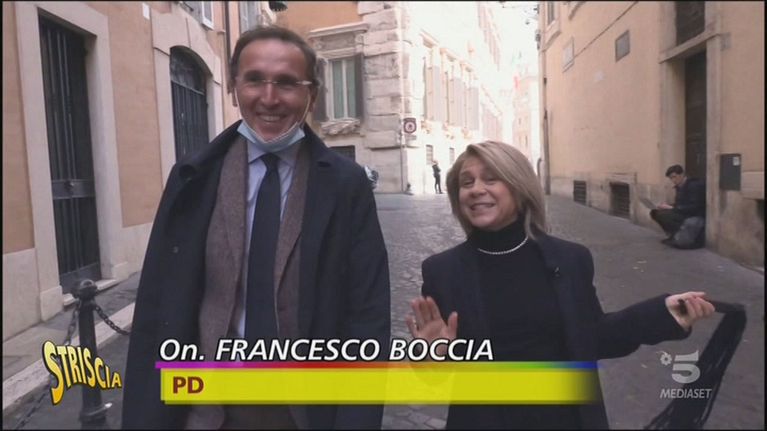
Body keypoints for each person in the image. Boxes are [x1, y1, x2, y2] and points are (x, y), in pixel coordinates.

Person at [122, 26, 390, 429]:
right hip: (204, 411)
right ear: (234, 89)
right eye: (254, 80)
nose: (269, 98)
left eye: (286, 83)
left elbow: (367, 314)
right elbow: (157, 301)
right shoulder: (193, 178)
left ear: (312, 95)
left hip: (306, 412)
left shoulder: (345, 186)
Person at [405, 141, 715, 429]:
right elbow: (435, 377)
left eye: (490, 179)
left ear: (519, 187)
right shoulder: (442, 270)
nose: (476, 190)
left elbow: (593, 337)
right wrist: (431, 358)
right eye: (466, 182)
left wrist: (661, 315)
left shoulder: (569, 259)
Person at [650, 164, 706, 247]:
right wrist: (667, 206)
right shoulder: (679, 186)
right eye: (671, 178)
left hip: (693, 214)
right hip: (682, 212)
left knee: (663, 215)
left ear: (682, 174)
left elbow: (695, 206)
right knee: (654, 212)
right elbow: (680, 203)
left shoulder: (693, 185)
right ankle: (672, 235)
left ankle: (676, 236)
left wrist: (672, 208)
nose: (673, 180)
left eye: (674, 177)